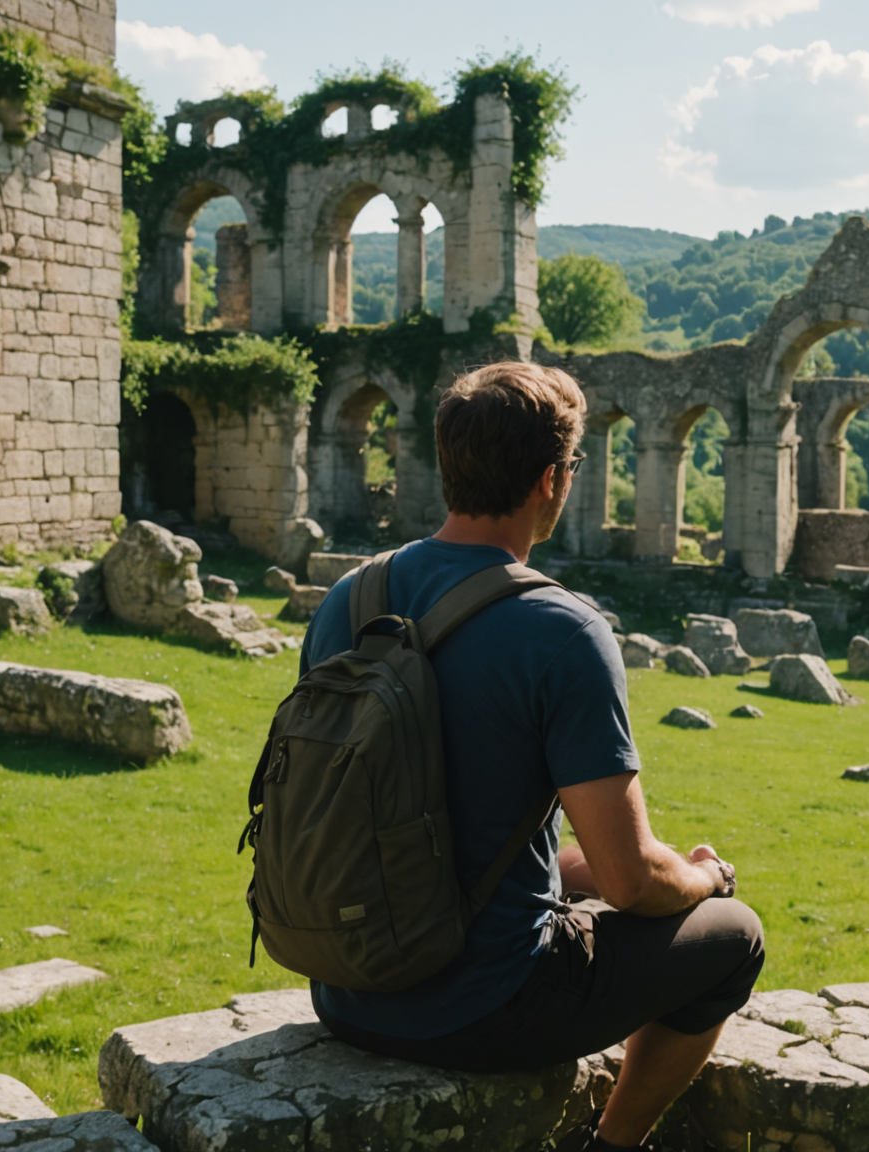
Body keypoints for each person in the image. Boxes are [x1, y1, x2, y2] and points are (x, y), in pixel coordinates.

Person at [297, 361, 765, 1151]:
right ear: (551, 479)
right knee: (734, 937)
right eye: (573, 468)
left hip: (345, 985)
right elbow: (629, 880)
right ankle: (611, 1145)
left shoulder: (353, 596)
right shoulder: (561, 628)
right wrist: (701, 878)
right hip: (481, 1011)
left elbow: (430, 819)